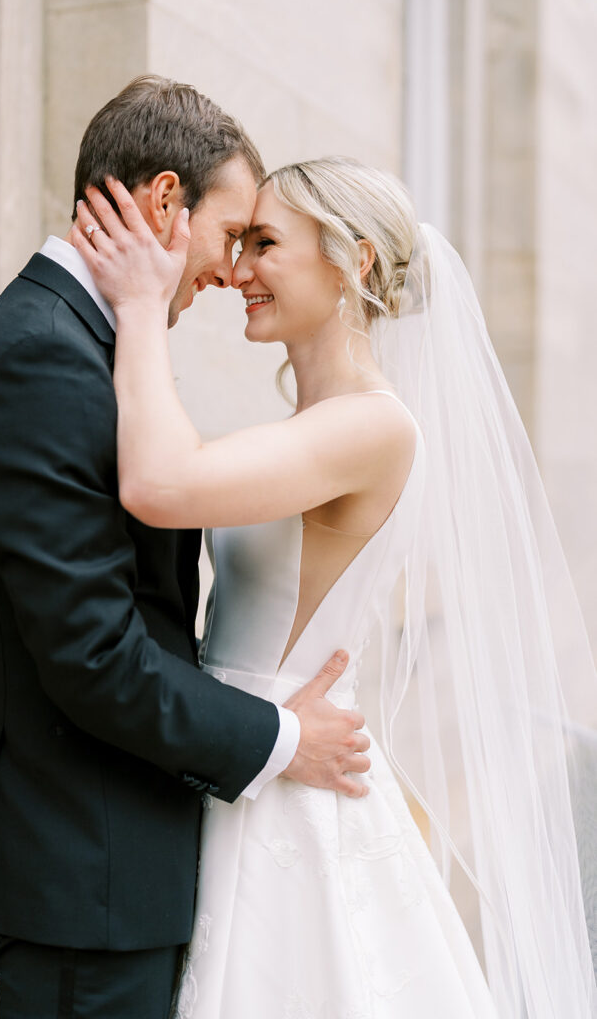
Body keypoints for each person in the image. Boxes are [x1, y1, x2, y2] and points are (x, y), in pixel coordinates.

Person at [73, 155, 597, 1017]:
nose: (237, 270)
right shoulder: (312, 427)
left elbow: (161, 485)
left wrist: (137, 304)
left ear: (352, 261)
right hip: (244, 755)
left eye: (264, 243)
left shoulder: (373, 427)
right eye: (237, 243)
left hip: (281, 791)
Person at [0, 78, 373, 1019]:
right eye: (229, 235)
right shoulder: (45, 359)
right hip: (85, 873)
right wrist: (282, 739)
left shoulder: (80, 344)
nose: (229, 270)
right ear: (166, 202)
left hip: (116, 868)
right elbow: (94, 655)